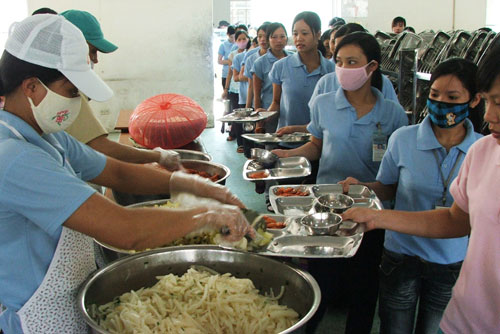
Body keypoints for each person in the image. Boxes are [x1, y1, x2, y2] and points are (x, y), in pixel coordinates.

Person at [0, 14, 254, 334]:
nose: (80, 100)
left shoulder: (47, 137)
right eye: (72, 90)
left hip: (66, 297)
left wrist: (189, 182)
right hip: (38, 319)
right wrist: (208, 215)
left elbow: (117, 173)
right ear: (32, 87)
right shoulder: (15, 158)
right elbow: (124, 229)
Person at [342, 45, 500, 333]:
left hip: (449, 260)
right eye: (435, 95)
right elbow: (452, 216)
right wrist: (369, 203)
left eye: (452, 98)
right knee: (395, 325)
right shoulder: (408, 140)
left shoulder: (477, 146)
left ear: (472, 100)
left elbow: (459, 222)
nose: (491, 117)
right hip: (403, 255)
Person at [273, 32, 408, 333]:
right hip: (325, 210)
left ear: (371, 67)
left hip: (371, 211)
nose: (344, 68)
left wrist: (368, 188)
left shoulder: (392, 113)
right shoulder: (323, 104)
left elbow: (396, 170)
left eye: (352, 62)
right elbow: (316, 147)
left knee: (364, 286)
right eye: (339, 62)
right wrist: (285, 155)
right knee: (321, 284)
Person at [59, 10, 182, 172]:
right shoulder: (66, 90)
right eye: (93, 51)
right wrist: (158, 157)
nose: (95, 59)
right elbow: (101, 146)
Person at [267, 11, 334, 136]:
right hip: (286, 139)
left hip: (320, 141)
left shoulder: (331, 70)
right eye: (295, 34)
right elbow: (276, 102)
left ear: (318, 34)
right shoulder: (281, 66)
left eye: (304, 33)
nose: (299, 38)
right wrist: (265, 116)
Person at [309, 23, 399, 108]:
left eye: (351, 61)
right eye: (338, 47)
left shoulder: (383, 83)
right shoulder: (326, 83)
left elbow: (393, 118)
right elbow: (316, 121)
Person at [228, 30, 251, 152]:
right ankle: (241, 143)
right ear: (235, 41)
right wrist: (226, 89)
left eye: (244, 39)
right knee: (239, 119)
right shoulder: (236, 56)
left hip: (248, 94)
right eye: (239, 39)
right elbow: (232, 75)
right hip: (237, 91)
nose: (242, 41)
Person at [243, 22, 270, 109]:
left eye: (266, 36)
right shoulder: (251, 58)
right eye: (259, 36)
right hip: (259, 104)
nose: (262, 39)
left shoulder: (281, 57)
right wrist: (247, 109)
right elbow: (251, 87)